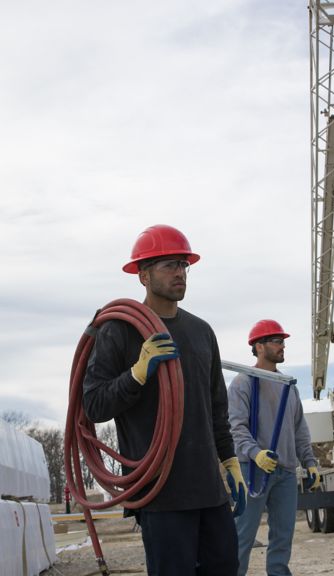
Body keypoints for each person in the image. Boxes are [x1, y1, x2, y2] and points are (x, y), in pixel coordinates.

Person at [82, 224, 247, 576]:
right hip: (160, 493)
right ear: (143, 275)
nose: (180, 273)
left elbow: (216, 407)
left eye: (184, 265)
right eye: (169, 265)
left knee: (226, 567)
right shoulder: (120, 330)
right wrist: (137, 373)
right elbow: (93, 404)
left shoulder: (202, 332)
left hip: (208, 488)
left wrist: (230, 460)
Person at [228, 319, 320, 576]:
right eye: (276, 341)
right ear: (259, 346)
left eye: (283, 342)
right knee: (243, 536)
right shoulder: (242, 383)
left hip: (286, 472)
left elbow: (299, 427)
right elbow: (237, 428)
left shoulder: (288, 385)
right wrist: (255, 454)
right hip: (252, 470)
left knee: (282, 538)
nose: (282, 346)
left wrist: (310, 461)